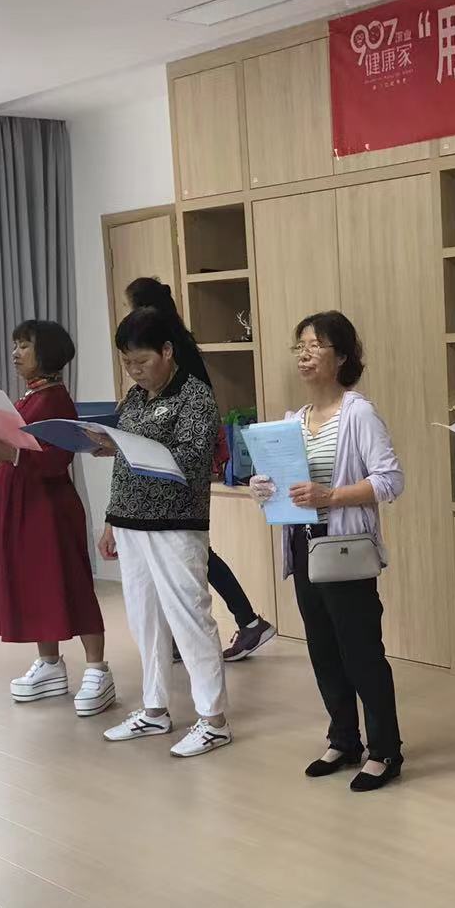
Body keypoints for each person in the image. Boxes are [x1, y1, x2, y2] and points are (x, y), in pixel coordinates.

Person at [250, 312, 406, 792]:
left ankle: (385, 751)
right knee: (322, 649)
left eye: (316, 345)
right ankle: (344, 739)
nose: (305, 354)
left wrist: (330, 496)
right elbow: (286, 488)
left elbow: (390, 480)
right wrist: (264, 489)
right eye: (300, 346)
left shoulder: (358, 413)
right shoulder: (290, 422)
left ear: (341, 357)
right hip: (303, 543)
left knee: (361, 652)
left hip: (344, 547)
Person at [97, 307, 233, 757]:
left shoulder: (195, 397)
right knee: (145, 620)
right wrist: (111, 519)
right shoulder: (133, 400)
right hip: (131, 523)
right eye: (127, 362)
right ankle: (154, 709)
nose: (134, 371)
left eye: (141, 361)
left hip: (175, 524)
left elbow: (192, 461)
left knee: (190, 617)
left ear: (167, 351)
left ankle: (213, 719)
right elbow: (122, 468)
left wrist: (130, 446)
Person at [124, 277, 275, 662]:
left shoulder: (176, 360)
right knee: (189, 553)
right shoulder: (180, 345)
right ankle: (228, 624)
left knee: (192, 553)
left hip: (177, 469)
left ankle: (237, 623)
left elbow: (183, 422)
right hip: (169, 470)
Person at [0, 319, 114, 716]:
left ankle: (98, 668)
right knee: (36, 582)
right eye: (16, 345)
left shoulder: (54, 400)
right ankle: (50, 663)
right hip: (23, 501)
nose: (15, 353)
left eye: (24, 346)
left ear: (46, 352)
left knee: (70, 581)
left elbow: (56, 459)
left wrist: (5, 453)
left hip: (48, 506)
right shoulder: (31, 398)